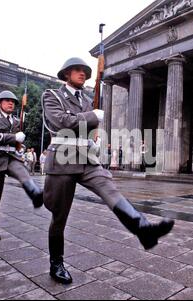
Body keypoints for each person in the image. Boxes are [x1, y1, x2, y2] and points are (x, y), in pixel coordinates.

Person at [41, 57, 174, 284]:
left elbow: (84, 129)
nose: (83, 73)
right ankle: (56, 263)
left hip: (86, 158)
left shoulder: (85, 99)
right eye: (77, 70)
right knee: (59, 216)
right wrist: (92, 116)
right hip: (62, 158)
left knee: (110, 189)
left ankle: (143, 229)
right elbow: (61, 122)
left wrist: (92, 138)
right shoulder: (51, 96)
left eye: (85, 71)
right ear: (66, 74)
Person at [0, 90, 44, 241]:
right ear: (0, 103)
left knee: (22, 171)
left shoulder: (16, 121)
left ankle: (34, 192)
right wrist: (13, 137)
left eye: (13, 102)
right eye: (7, 100)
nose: (11, 103)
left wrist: (19, 145)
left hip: (10, 157)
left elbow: (16, 142)